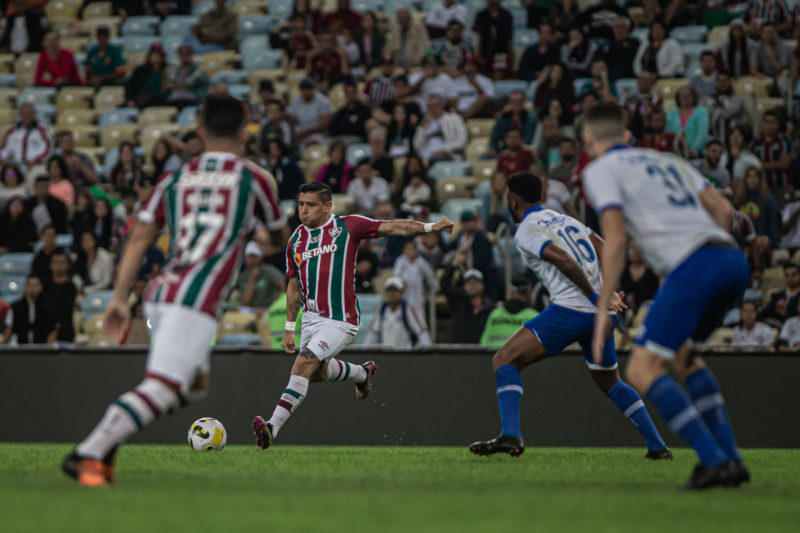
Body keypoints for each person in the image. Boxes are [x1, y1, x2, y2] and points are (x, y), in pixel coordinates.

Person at [62, 95, 288, 486]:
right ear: (244, 134)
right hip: (194, 301)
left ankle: (107, 444)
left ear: (200, 131)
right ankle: (90, 453)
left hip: (161, 292)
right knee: (164, 387)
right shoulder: (254, 178)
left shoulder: (175, 178)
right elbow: (280, 235)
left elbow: (139, 236)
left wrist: (119, 298)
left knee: (195, 388)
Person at [584, 101, 750, 489]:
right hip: (731, 260)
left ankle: (713, 460)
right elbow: (725, 211)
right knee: (684, 356)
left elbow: (616, 240)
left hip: (694, 267)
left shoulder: (600, 170)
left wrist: (603, 307)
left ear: (588, 138)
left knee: (641, 370)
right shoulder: (668, 160)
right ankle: (732, 460)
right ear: (627, 135)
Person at [469, 171, 670, 459]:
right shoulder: (565, 219)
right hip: (600, 318)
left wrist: (594, 295)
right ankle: (657, 447)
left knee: (504, 360)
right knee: (610, 382)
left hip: (571, 310)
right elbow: (604, 247)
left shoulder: (527, 229)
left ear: (513, 202)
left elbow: (563, 260)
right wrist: (610, 289)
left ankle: (511, 434)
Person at [252, 182, 454, 449]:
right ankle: (361, 373)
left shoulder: (347, 226)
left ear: (328, 206)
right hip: (311, 319)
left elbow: (392, 227)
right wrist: (290, 328)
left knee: (303, 364)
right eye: (301, 204)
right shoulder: (296, 240)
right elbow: (293, 284)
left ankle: (271, 427)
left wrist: (430, 227)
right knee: (315, 374)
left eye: (311, 205)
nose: (303, 210)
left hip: (340, 319)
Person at [364, 277, 432, 348]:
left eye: (396, 290)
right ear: (386, 292)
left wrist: (427, 350)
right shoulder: (381, 309)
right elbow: (373, 333)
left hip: (405, 353)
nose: (392, 293)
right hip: (386, 352)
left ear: (402, 292)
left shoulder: (409, 309)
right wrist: (365, 350)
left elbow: (422, 332)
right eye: (390, 290)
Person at [479, 276, 538, 347]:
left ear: (511, 292)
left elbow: (483, 342)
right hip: (523, 354)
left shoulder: (495, 314)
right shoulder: (534, 316)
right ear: (527, 293)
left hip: (495, 353)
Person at [440, 267, 494, 343]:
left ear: (483, 286)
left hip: (481, 348)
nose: (472, 285)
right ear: (464, 286)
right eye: (469, 282)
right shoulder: (458, 302)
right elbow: (445, 285)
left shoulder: (490, 307)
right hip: (460, 348)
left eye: (476, 282)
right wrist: (453, 266)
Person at [735, 166, 779, 257]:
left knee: (762, 242)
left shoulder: (768, 201)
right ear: (745, 180)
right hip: (745, 241)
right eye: (750, 176)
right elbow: (736, 226)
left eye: (756, 176)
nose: (753, 180)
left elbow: (773, 225)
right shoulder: (738, 202)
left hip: (762, 240)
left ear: (760, 179)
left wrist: (772, 244)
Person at [228, 241, 285, 310]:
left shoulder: (268, 270)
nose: (252, 259)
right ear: (245, 257)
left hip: (266, 309)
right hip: (247, 310)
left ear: (261, 257)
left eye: (255, 256)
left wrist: (276, 304)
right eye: (249, 255)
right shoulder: (241, 275)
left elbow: (282, 283)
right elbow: (245, 302)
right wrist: (252, 278)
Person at [2, 275, 56, 345]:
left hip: (42, 347)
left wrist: (48, 347)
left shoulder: (48, 307)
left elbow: (53, 330)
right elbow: (9, 329)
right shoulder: (15, 307)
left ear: (40, 287)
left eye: (35, 285)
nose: (32, 288)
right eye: (29, 285)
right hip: (22, 347)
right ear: (24, 287)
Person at [751, 110, 792, 201]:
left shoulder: (784, 141)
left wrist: (761, 165)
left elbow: (784, 163)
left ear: (778, 124)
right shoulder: (756, 142)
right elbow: (751, 164)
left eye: (773, 122)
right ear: (762, 124)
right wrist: (775, 164)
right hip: (761, 188)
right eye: (766, 122)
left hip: (782, 187)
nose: (769, 125)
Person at [413, 94, 467, 161]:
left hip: (447, 153)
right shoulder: (425, 122)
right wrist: (422, 128)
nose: (432, 109)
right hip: (427, 155)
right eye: (429, 107)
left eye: (435, 106)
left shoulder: (454, 118)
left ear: (442, 105)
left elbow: (462, 140)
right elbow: (416, 145)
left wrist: (445, 149)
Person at [0, 103, 53, 168]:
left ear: (34, 114)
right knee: (7, 173)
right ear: (20, 115)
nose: (26, 116)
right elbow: (5, 147)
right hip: (16, 166)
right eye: (23, 114)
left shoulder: (41, 129)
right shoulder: (13, 130)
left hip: (36, 165)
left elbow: (48, 147)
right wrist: (2, 158)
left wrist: (36, 160)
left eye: (29, 114)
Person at [472, 0, 514, 79]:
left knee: (501, 77)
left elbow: (509, 37)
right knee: (484, 77)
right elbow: (478, 37)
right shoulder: (481, 15)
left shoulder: (506, 15)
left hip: (501, 53)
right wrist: (478, 55)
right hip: (485, 53)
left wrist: (510, 56)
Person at [42, 250, 77, 343]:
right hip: (45, 332)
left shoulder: (71, 287)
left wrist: (55, 331)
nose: (59, 265)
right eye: (55, 262)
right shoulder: (45, 286)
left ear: (68, 265)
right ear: (50, 265)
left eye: (62, 262)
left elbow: (65, 312)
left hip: (65, 334)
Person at [665, 86, 709, 158]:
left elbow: (702, 133)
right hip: (674, 151)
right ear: (678, 98)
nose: (685, 98)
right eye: (682, 96)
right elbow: (667, 131)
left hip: (695, 152)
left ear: (693, 97)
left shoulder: (701, 112)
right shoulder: (672, 113)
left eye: (688, 95)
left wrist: (693, 149)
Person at [287, 77, 332, 147]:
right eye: (304, 89)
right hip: (301, 133)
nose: (306, 92)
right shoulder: (296, 102)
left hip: (318, 134)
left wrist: (307, 132)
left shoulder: (322, 101)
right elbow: (292, 120)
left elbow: (324, 125)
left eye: (309, 89)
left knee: (314, 142)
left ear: (313, 89)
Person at [393, 239, 437, 310]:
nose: (411, 251)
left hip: (419, 290)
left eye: (413, 248)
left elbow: (429, 275)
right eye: (408, 249)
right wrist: (401, 281)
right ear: (404, 251)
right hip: (404, 290)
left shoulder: (420, 261)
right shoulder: (400, 260)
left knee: (419, 307)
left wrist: (433, 287)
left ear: (416, 250)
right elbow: (396, 274)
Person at [165, 44, 210, 109]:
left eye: (187, 54)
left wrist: (176, 86)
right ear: (179, 56)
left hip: (192, 100)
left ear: (191, 55)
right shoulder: (176, 68)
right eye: (182, 55)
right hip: (174, 99)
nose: (185, 57)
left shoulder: (198, 69)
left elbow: (187, 84)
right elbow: (167, 86)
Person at [125, 43, 169, 108]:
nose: (155, 56)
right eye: (153, 53)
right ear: (149, 56)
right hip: (142, 101)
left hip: (162, 101)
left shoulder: (168, 69)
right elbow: (130, 87)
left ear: (162, 56)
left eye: (158, 54)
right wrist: (130, 100)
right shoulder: (140, 70)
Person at [619, 245, 659, 314]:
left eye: (638, 251)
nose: (635, 254)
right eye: (632, 251)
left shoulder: (652, 270)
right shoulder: (623, 268)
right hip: (624, 310)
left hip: (646, 311)